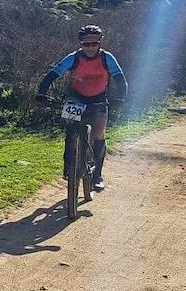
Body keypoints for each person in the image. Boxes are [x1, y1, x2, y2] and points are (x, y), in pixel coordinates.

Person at [36, 25, 127, 191]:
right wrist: (41, 93)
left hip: (98, 99)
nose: (90, 47)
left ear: (99, 43)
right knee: (71, 130)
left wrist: (120, 99)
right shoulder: (73, 58)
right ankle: (69, 166)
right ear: (81, 44)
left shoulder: (107, 58)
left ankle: (97, 174)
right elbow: (52, 74)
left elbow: (121, 80)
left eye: (94, 44)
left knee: (98, 133)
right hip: (76, 98)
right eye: (86, 44)